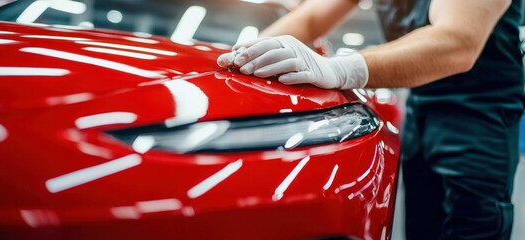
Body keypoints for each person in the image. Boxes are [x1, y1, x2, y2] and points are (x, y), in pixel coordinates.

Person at [217, 0, 524, 239]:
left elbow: (458, 41)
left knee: (469, 225)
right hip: (420, 103)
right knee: (422, 227)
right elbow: (311, 16)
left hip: (480, 110)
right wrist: (241, 57)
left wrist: (341, 69)